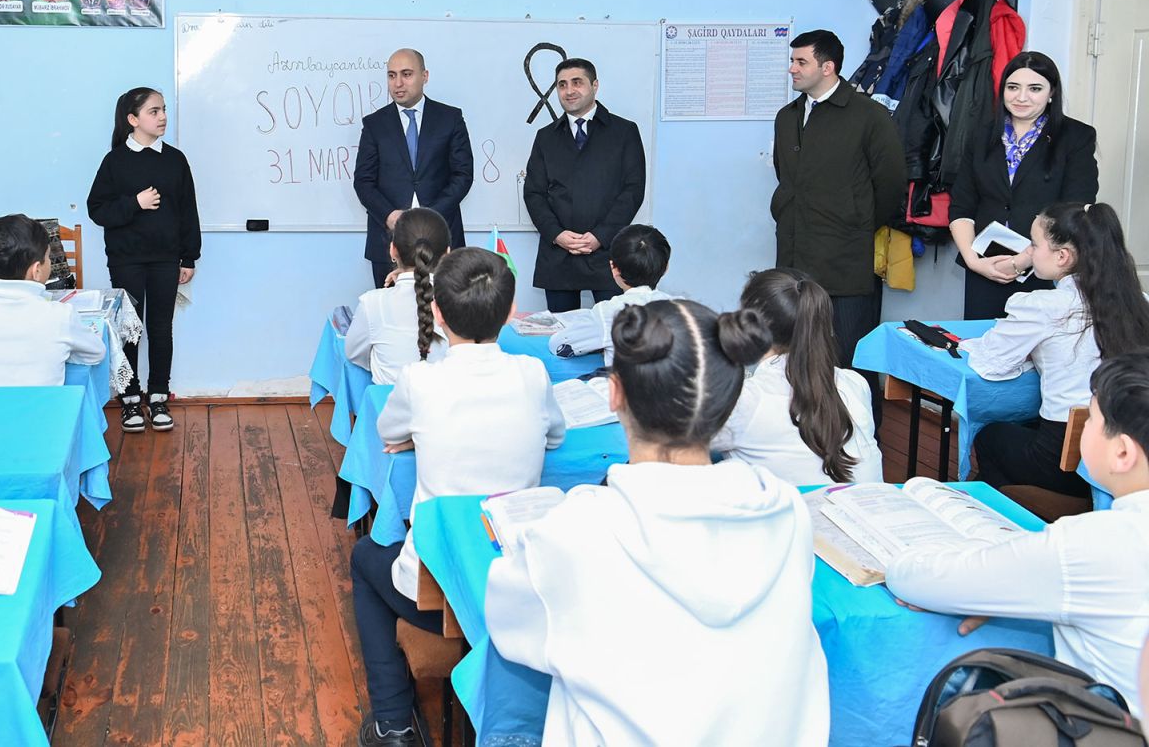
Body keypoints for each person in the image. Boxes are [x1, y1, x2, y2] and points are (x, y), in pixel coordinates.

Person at [486, 299, 830, 746]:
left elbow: (510, 622)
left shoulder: (579, 529)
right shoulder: (785, 512)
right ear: (729, 402)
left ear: (614, 393)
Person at [352, 247, 565, 746]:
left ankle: (394, 723)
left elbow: (387, 431)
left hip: (439, 590)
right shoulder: (532, 374)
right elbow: (554, 437)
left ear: (437, 312)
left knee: (364, 558)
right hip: (520, 584)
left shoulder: (421, 379)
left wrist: (416, 436)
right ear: (511, 312)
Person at [888, 352, 1149, 715]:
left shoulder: (1092, 545)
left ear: (1121, 452)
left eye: (1091, 418)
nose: (1082, 426)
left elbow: (910, 578)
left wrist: (987, 581)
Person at [963, 201, 1149, 496]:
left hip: (1064, 458)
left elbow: (991, 364)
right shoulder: (1138, 301)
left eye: (1034, 245)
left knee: (991, 435)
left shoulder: (1046, 306)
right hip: (1131, 452)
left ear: (1062, 256)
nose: (1029, 252)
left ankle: (1013, 508)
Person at [771, 29, 906, 378]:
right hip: (794, 258)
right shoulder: (787, 116)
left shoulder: (869, 115)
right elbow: (786, 175)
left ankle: (858, 418)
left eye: (801, 62)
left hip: (846, 262)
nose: (792, 69)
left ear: (827, 67)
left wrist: (856, 222)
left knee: (848, 362)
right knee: (797, 359)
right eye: (792, 61)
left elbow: (891, 184)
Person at [949, 51, 1099, 320]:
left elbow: (1075, 210)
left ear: (1052, 92)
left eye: (1035, 89)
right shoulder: (982, 134)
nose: (1021, 97)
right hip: (985, 266)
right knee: (982, 342)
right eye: (1013, 87)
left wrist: (1022, 261)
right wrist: (974, 261)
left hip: (1045, 268)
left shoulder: (1076, 137)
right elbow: (962, 205)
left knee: (1037, 344)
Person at [87, 88, 201, 434]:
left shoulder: (175, 160)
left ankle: (158, 396)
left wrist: (189, 256)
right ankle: (130, 399)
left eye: (163, 110)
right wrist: (134, 203)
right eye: (154, 111)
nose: (163, 117)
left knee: (161, 328)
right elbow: (98, 210)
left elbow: (188, 210)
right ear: (132, 119)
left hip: (166, 259)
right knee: (129, 331)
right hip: (127, 261)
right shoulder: (115, 161)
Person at [712, 268, 883, 486]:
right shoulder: (855, 383)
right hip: (867, 502)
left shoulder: (745, 401)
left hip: (797, 508)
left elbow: (681, 443)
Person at [524, 57, 646, 312]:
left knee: (613, 328)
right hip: (558, 253)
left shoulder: (624, 131)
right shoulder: (545, 137)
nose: (569, 91)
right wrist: (556, 235)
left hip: (608, 251)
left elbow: (633, 190)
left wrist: (601, 236)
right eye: (562, 84)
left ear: (595, 85)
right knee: (561, 333)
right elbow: (534, 193)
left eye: (577, 82)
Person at [352, 48, 474, 288]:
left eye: (406, 74)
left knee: (445, 309)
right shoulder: (374, 124)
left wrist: (430, 218)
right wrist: (389, 215)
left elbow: (462, 175)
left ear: (424, 76)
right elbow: (363, 182)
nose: (398, 83)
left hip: (443, 238)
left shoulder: (450, 118)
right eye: (391, 75)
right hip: (389, 243)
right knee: (392, 310)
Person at [0, 215, 105, 387]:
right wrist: (61, 352)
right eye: (48, 257)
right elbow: (96, 353)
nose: (50, 262)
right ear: (36, 270)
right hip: (47, 406)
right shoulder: (60, 316)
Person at [345, 207, 452, 384]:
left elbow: (354, 354)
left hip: (388, 400)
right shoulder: (462, 302)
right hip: (447, 399)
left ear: (393, 250)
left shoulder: (372, 303)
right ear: (447, 253)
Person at [548, 224, 676, 363]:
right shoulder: (680, 307)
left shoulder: (607, 313)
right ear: (666, 267)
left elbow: (559, 346)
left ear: (613, 268)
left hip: (623, 377)